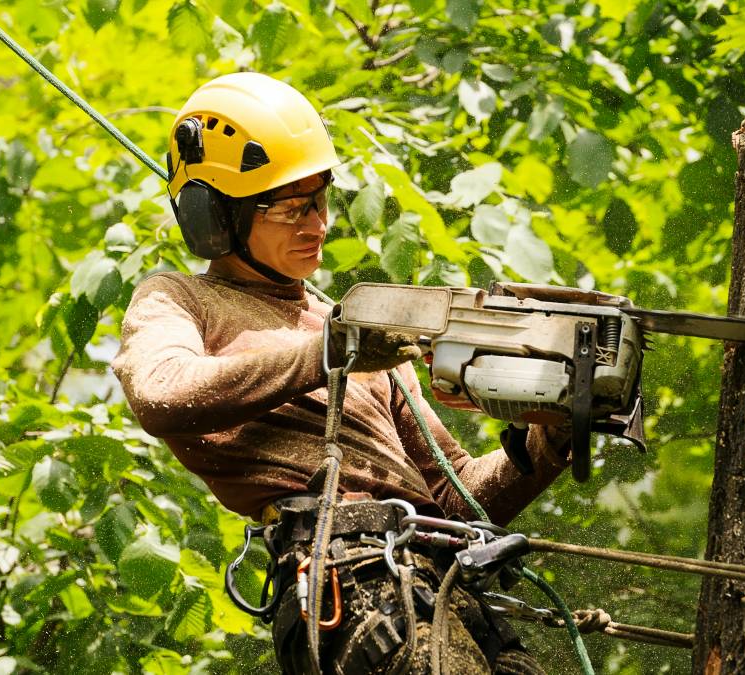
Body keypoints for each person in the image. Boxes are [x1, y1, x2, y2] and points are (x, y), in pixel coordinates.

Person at [111, 72, 571, 674]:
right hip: (349, 582)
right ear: (215, 214)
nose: (317, 223)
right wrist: (334, 350)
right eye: (290, 207)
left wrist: (554, 431)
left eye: (320, 200)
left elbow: (455, 500)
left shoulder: (352, 326)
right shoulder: (180, 300)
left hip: (442, 588)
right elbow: (161, 391)